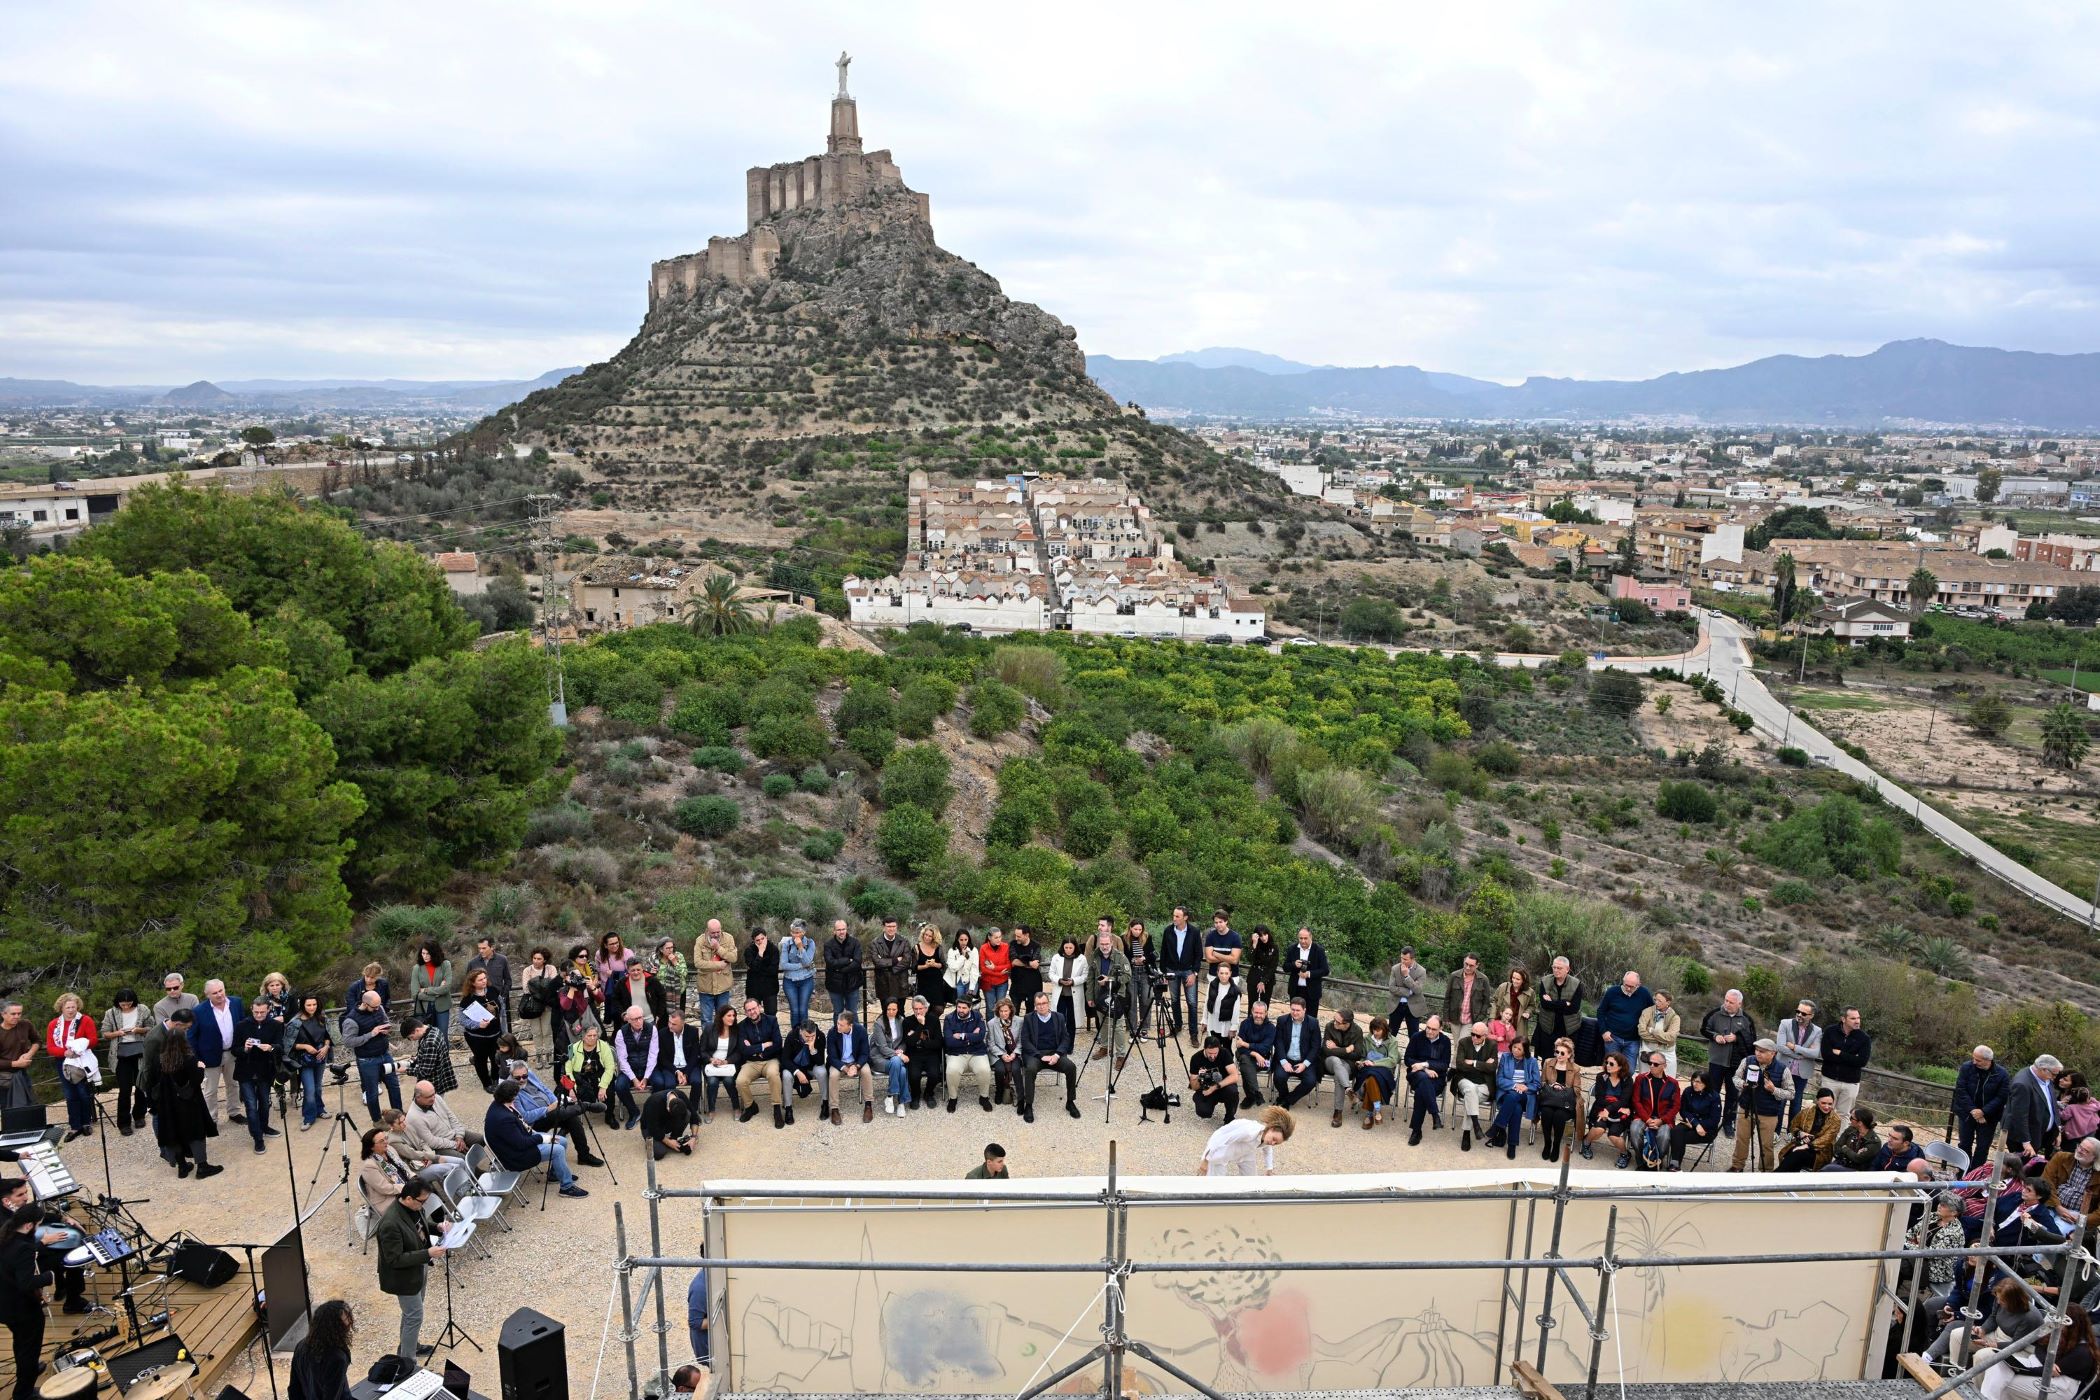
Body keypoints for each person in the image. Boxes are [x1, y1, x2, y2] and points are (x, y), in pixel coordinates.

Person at [376, 1176, 446, 1363]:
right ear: (408, 1198)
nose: (424, 1205)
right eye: (422, 1201)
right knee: (414, 1316)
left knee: (411, 1314)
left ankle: (409, 1346)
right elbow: (394, 1259)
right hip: (404, 1277)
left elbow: (421, 1226)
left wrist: (438, 1227)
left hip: (418, 1268)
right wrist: (427, 1253)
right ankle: (408, 1362)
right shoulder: (390, 1224)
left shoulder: (414, 1207)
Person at [486, 1079, 589, 1197]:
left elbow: (520, 1129)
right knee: (558, 1150)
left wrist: (539, 1135)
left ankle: (555, 1174)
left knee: (563, 1141)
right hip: (517, 1155)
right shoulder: (504, 1118)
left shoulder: (499, 1104)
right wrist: (543, 1138)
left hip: (522, 1139)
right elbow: (521, 1143)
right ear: (511, 1096)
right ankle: (567, 1187)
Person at [150, 1009, 221, 1179]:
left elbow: (155, 1080)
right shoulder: (188, 1059)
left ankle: (182, 1166)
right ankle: (202, 1166)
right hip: (189, 1102)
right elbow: (195, 1080)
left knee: (175, 1133)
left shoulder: (160, 1059)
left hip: (169, 1103)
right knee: (196, 1133)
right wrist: (201, 1068)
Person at [1979, 1302, 2096, 1400]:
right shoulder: (2059, 1332)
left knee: (2005, 1384)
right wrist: (2046, 1362)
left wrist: (2019, 1369)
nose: (2056, 1321)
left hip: (2060, 1385)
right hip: (2037, 1366)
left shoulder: (2083, 1351)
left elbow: (2048, 1372)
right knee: (1997, 1364)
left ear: (2073, 1324)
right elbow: (2039, 1348)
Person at [3, 1202, 53, 1400]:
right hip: (21, 1309)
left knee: (21, 1343)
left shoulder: (7, 1235)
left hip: (6, 1303)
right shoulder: (23, 1248)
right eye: (38, 1225)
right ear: (28, 1225)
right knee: (29, 1348)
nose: (38, 1229)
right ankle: (23, 1392)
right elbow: (26, 1283)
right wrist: (48, 1277)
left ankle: (29, 1368)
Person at [1729, 1037, 1791, 1172]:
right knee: (1741, 1139)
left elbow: (1791, 1093)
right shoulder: (1747, 1061)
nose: (1758, 1053)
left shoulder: (1783, 1069)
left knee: (1766, 1144)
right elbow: (1735, 1078)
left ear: (1773, 1053)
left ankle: (1766, 1170)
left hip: (1768, 1113)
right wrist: (1743, 1084)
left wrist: (1774, 1090)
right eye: (1757, 1050)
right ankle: (1737, 1166)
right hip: (1746, 1108)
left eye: (1762, 1051)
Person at [1700, 988, 1756, 1137]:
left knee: (1732, 1094)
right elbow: (1704, 1029)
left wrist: (1737, 1038)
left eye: (1731, 1002)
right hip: (1716, 1061)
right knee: (1713, 1092)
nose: (1727, 1004)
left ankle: (1728, 1123)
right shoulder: (1714, 1013)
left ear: (1739, 1004)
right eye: (1726, 1000)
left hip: (1736, 1064)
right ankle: (1710, 1120)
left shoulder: (1747, 1019)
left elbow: (1752, 1039)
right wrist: (1715, 1036)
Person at [1018, 990, 1079, 1124]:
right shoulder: (1028, 1018)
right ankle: (1028, 1105)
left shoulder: (1059, 1017)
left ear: (1048, 1003)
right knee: (1030, 1069)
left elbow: (1065, 1039)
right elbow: (1025, 1041)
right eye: (1038, 1004)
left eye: (1044, 1003)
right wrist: (1040, 1056)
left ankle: (1070, 1101)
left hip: (1054, 1053)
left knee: (1071, 1067)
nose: (1041, 1006)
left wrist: (1057, 1055)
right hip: (1036, 1054)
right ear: (1035, 1005)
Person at [190, 979, 246, 1123]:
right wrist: (197, 1058)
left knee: (233, 1084)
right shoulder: (198, 1011)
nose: (219, 994)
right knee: (210, 1090)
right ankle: (211, 1119)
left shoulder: (236, 1003)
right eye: (215, 993)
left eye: (221, 990)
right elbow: (191, 1036)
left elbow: (243, 1025)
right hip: (209, 1056)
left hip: (232, 1052)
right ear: (207, 994)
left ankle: (234, 1112)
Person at [45, 993, 99, 1140]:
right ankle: (75, 1126)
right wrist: (64, 1052)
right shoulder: (53, 1024)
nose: (70, 1010)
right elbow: (50, 1047)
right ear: (61, 1008)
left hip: (80, 1060)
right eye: (67, 1007)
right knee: (70, 1094)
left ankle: (86, 1122)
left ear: (77, 1007)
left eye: (73, 1007)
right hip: (62, 1061)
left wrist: (78, 1047)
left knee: (83, 1092)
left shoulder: (85, 1020)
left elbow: (93, 1040)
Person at [344, 990, 403, 1123]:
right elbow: (348, 1042)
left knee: (394, 1086)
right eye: (375, 1007)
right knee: (372, 1092)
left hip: (385, 1055)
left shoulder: (379, 1008)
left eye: (379, 1006)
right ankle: (377, 1121)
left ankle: (399, 1116)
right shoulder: (351, 1020)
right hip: (367, 1060)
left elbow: (385, 1021)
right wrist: (371, 1034)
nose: (378, 1009)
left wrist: (386, 1029)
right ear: (365, 1004)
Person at [232, 997, 283, 1152]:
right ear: (251, 1009)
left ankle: (264, 1127)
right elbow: (234, 1049)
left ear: (268, 1010)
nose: (259, 1015)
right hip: (245, 1071)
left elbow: (281, 1047)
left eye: (262, 1012)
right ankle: (257, 1137)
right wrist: (245, 1048)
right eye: (256, 1012)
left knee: (265, 1103)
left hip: (265, 1071)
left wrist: (271, 1047)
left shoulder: (275, 1025)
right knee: (251, 1106)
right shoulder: (241, 1025)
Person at [100, 988, 151, 1135]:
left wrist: (138, 1030)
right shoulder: (110, 1013)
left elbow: (151, 1027)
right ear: (118, 1003)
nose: (126, 1006)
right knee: (124, 1089)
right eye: (123, 1004)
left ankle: (139, 1115)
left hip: (140, 1052)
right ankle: (124, 1122)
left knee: (141, 1086)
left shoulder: (143, 1009)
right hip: (120, 1055)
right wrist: (118, 1033)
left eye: (129, 1003)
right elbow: (104, 1033)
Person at [733, 997, 787, 1126]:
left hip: (770, 1059)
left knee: (773, 1075)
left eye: (754, 1008)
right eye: (749, 1010)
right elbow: (743, 1049)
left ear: (760, 1007)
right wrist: (764, 1045)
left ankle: (776, 1109)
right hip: (751, 1062)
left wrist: (758, 1051)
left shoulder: (771, 1020)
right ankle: (750, 1106)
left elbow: (778, 1043)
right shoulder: (741, 1026)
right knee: (740, 1081)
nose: (752, 1012)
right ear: (745, 1012)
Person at [1952, 1046, 2010, 1166]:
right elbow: (1961, 1090)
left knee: (1983, 1148)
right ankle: (1963, 1171)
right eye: (1973, 1058)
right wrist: (1974, 1110)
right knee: (1964, 1144)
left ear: (1988, 1060)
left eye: (1978, 1060)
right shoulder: (1966, 1067)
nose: (1974, 1062)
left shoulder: (2002, 1074)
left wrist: (1983, 1112)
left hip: (1989, 1117)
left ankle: (1976, 1173)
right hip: (1967, 1113)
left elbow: (2001, 1097)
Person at [1198, 1105, 1294, 1176]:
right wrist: (1206, 1160)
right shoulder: (1248, 1132)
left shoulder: (1267, 1138)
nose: (1272, 1143)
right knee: (1216, 1184)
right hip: (1224, 1147)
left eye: (1276, 1143)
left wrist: (1269, 1168)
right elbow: (1222, 1139)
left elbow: (1268, 1150)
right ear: (1271, 1128)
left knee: (1251, 1180)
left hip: (1245, 1151)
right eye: (1274, 1139)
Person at [288, 1299, 353, 1400]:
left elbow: (294, 1389)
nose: (349, 1322)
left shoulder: (301, 1345)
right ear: (335, 1327)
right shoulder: (337, 1358)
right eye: (347, 1320)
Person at [2004, 1053, 2064, 1160]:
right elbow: (2019, 1116)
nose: (2055, 1078)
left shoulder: (2045, 1078)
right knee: (2023, 1167)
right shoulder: (2022, 1084)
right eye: (2054, 1074)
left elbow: (2052, 1104)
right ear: (2043, 1069)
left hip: (2040, 1133)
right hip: (2024, 1138)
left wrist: (2057, 1130)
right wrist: (2026, 1142)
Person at [286, 994, 333, 1130]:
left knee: (318, 1087)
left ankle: (320, 1109)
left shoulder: (322, 1018)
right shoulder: (295, 1023)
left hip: (320, 1057)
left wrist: (326, 1047)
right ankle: (308, 1117)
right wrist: (305, 1046)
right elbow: (288, 1045)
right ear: (303, 1006)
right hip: (304, 1060)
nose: (312, 1007)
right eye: (308, 1005)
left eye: (314, 1004)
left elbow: (328, 1036)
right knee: (309, 1089)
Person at [1086, 928, 1131, 1066]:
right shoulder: (1095, 955)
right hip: (1100, 995)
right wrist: (1090, 996)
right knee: (1103, 1023)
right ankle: (1104, 1047)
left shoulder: (1120, 957)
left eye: (1107, 944)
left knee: (1118, 1026)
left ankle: (1121, 1055)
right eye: (1102, 944)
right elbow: (1090, 977)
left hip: (1116, 996)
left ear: (1111, 943)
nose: (1104, 946)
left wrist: (1109, 980)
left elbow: (1127, 976)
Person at [1405, 1014, 1452, 1145]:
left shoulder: (1445, 1041)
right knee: (1424, 1079)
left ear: (1440, 1029)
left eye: (1433, 1029)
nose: (1429, 1031)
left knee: (1421, 1091)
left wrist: (1425, 1064)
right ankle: (1435, 1114)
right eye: (1428, 1027)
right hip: (1416, 1074)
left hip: (1436, 1078)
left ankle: (1416, 1131)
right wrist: (1424, 1069)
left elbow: (1444, 1065)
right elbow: (1407, 1059)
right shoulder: (1416, 1037)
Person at [1581, 1052, 1636, 1165]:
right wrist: (1610, 1108)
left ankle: (1625, 1154)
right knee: (1599, 1129)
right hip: (1601, 1109)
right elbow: (1600, 1098)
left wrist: (1609, 1110)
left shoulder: (1627, 1079)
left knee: (1613, 1135)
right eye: (1607, 1062)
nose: (1608, 1065)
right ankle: (1586, 1143)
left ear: (1620, 1066)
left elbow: (1625, 1100)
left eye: (1611, 1064)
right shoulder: (1601, 1077)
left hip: (1619, 1113)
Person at [406, 1079, 482, 1160]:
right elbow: (431, 1142)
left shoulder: (437, 1098)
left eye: (433, 1094)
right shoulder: (414, 1117)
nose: (433, 1098)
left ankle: (484, 1162)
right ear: (418, 1097)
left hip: (454, 1134)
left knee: (482, 1139)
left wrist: (459, 1136)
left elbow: (451, 1117)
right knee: (462, 1159)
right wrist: (455, 1144)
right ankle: (473, 1166)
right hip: (440, 1147)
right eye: (429, 1097)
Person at [1630, 1051, 1681, 1170]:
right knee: (1635, 1130)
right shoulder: (1641, 1078)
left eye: (1656, 1064)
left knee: (1664, 1136)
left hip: (1663, 1119)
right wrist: (1647, 1119)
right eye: (1650, 1063)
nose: (1652, 1066)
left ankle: (1656, 1160)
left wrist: (1662, 1120)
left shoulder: (1673, 1083)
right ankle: (1641, 1160)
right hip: (1643, 1116)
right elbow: (1636, 1101)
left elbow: (1676, 1106)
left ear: (1664, 1066)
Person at [942, 995, 993, 1112]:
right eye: (959, 1007)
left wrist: (962, 1036)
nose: (960, 1010)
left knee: (984, 1070)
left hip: (976, 1053)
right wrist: (971, 1038)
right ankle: (953, 1098)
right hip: (956, 1054)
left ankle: (984, 1097)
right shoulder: (949, 1018)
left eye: (964, 1008)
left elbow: (980, 1036)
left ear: (970, 1008)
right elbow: (949, 1042)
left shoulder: (978, 1016)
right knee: (951, 1071)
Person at [1452, 1020, 1498, 1150]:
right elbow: (1460, 1065)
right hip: (1464, 1081)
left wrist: (1473, 1062)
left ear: (1485, 1036)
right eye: (1472, 1034)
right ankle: (1475, 1126)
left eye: (1478, 1036)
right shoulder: (1463, 1042)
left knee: (1471, 1096)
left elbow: (1492, 1068)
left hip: (1484, 1085)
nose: (1474, 1037)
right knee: (1471, 1089)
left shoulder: (1492, 1045)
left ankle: (1468, 1132)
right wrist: (1484, 1065)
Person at [1821, 1006, 1871, 1125]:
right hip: (1830, 1079)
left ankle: (1839, 1137)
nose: (1857, 1021)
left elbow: (1862, 1062)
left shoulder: (1864, 1038)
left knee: (1844, 1115)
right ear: (1843, 1019)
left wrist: (1840, 1053)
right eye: (1853, 1018)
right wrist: (1852, 1058)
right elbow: (1826, 1055)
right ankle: (1821, 1136)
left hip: (1851, 1083)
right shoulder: (1830, 1031)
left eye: (1858, 1018)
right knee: (1824, 1111)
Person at [1491, 1037, 1540, 1159]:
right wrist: (1514, 1085)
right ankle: (1512, 1145)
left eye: (1519, 1049)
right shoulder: (1505, 1057)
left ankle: (1497, 1126)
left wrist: (1526, 1087)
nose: (1515, 1050)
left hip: (1525, 1095)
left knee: (1515, 1097)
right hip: (1507, 1093)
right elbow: (1499, 1079)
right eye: (1514, 1047)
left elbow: (1537, 1084)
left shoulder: (1532, 1062)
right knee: (1516, 1108)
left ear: (1525, 1051)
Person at [1159, 906, 1202, 1041]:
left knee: (1192, 1002)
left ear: (1185, 917)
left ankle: (1193, 1033)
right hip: (1171, 970)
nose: (1174, 918)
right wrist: (1164, 972)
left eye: (1177, 916)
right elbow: (1163, 952)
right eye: (1173, 915)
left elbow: (1198, 954)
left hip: (1189, 970)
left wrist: (1194, 973)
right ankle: (1177, 1026)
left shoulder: (1194, 932)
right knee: (1174, 1000)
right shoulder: (1168, 930)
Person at [1774, 999, 1823, 1119]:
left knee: (1796, 1106)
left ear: (1811, 1016)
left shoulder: (1817, 1031)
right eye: (1798, 1011)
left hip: (1801, 1074)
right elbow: (1780, 1047)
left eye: (1804, 1013)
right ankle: (1776, 1129)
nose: (1799, 1015)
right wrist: (1800, 1055)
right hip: (1783, 1069)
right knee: (1779, 1104)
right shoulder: (1785, 1023)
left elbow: (1815, 1053)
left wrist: (1794, 1047)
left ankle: (1793, 1130)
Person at [2043, 1137, 2100, 1240]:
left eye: (2086, 1151)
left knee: (2055, 1234)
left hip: (2075, 1215)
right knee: (2037, 1225)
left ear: (2094, 1157)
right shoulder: (2061, 1158)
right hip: (2050, 1203)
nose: (2080, 1151)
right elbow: (2046, 1183)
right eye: (2080, 1147)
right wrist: (2057, 1206)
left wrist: (2080, 1219)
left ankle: (2037, 1252)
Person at [1538, 1036, 1583, 1162]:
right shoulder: (1548, 1062)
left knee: (1559, 1116)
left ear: (1569, 1054)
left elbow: (1577, 1089)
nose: (1559, 1055)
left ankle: (1556, 1145)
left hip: (1565, 1102)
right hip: (1549, 1098)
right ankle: (1547, 1143)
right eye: (1557, 1052)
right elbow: (1542, 1082)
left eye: (1562, 1053)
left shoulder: (1575, 1068)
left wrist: (1563, 1088)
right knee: (1546, 1113)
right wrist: (1552, 1085)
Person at [1200, 911, 1243, 1043]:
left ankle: (1230, 1030)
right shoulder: (1211, 936)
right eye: (1216, 922)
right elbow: (1209, 958)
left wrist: (1217, 954)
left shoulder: (1235, 937)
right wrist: (1227, 956)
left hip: (1232, 976)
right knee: (1212, 1002)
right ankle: (1211, 1030)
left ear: (1226, 921)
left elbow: (1235, 960)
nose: (1218, 925)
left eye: (1220, 922)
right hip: (1214, 975)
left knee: (1231, 1004)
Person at [565, 1024, 622, 1124]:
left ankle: (609, 1116)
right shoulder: (571, 1048)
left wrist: (603, 1086)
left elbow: (610, 1068)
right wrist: (571, 1088)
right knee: (566, 1095)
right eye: (589, 1035)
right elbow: (568, 1070)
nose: (592, 1038)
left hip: (601, 1076)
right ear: (583, 1036)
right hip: (581, 1078)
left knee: (609, 1092)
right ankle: (572, 1122)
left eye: (595, 1035)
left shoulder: (604, 1046)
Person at [1317, 1006, 1363, 1129]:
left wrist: (1336, 1048)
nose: (1334, 1023)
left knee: (1339, 1076)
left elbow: (1357, 1054)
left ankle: (1338, 1112)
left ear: (1346, 1024)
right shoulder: (1329, 1026)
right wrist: (1346, 1050)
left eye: (1338, 1022)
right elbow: (1326, 1051)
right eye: (1334, 1019)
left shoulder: (1357, 1031)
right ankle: (1348, 1089)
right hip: (1330, 1061)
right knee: (1336, 1061)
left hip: (1348, 1064)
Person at [1593, 971, 1652, 1066]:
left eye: (1631, 986)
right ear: (1623, 981)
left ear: (1638, 985)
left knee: (1629, 1069)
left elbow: (1652, 1012)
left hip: (1633, 1040)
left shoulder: (1644, 993)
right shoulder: (1612, 991)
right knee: (1611, 1067)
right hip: (1612, 1038)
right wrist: (1603, 1031)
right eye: (1626, 985)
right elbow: (1601, 1011)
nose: (1628, 988)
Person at [459, 968, 504, 1090]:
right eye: (480, 980)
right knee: (481, 1060)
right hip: (476, 1037)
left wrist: (502, 1028)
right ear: (473, 983)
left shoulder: (493, 991)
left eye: (485, 978)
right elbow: (462, 1020)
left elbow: (502, 1008)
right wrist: (478, 1025)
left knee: (496, 1058)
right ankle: (486, 1083)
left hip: (495, 1034)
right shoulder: (467, 999)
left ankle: (495, 1078)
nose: (484, 981)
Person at [826, 1010, 874, 1123]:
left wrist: (856, 1066)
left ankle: (868, 1105)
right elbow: (832, 1056)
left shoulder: (860, 1031)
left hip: (856, 1062)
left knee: (866, 1071)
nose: (838, 1026)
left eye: (841, 1025)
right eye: (838, 1023)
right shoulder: (832, 1032)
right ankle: (834, 1109)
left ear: (850, 1025)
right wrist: (845, 1068)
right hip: (839, 1063)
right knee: (833, 1075)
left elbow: (865, 1053)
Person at [613, 1005, 659, 1125]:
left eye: (640, 1018)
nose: (639, 1021)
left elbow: (653, 1055)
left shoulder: (652, 1029)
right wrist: (633, 1078)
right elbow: (622, 1059)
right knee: (619, 1086)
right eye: (635, 1019)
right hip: (630, 1068)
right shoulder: (621, 1033)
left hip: (647, 1067)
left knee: (660, 1082)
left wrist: (646, 1077)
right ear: (628, 1020)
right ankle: (634, 1112)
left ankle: (652, 1111)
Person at [1273, 998, 1320, 1111]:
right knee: (1278, 1077)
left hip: (1304, 1060)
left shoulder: (1313, 1023)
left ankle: (1287, 1100)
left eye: (1298, 1010)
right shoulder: (1282, 1020)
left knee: (1310, 1081)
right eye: (1292, 1009)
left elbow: (1316, 1046)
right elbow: (1278, 1042)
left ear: (1304, 1010)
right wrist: (1284, 1061)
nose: (1294, 1013)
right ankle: (1283, 1096)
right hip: (1286, 1059)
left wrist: (1305, 1064)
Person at [1778, 1088, 1842, 1172]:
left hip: (1820, 1152)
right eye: (1823, 1103)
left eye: (1830, 1104)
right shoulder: (1806, 1112)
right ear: (1817, 1101)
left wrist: (1807, 1146)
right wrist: (1800, 1133)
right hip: (1800, 1143)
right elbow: (1793, 1126)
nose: (1827, 1107)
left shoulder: (1836, 1119)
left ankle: (1775, 1176)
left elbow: (1826, 1139)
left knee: (1797, 1155)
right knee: (1791, 1155)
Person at [697, 1006, 742, 1122]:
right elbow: (702, 1050)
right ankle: (711, 1110)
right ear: (721, 1017)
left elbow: (739, 1052)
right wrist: (711, 1059)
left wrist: (726, 1061)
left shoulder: (736, 1030)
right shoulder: (709, 1028)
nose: (732, 1018)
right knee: (712, 1082)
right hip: (712, 1064)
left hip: (728, 1064)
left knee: (729, 1081)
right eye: (729, 1016)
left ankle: (736, 1107)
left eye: (734, 1015)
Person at [692, 920, 739, 1030]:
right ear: (707, 931)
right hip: (706, 988)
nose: (716, 934)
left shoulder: (728, 938)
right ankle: (707, 1040)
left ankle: (722, 1039)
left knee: (723, 1018)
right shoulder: (700, 940)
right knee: (706, 1020)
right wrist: (719, 965)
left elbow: (733, 958)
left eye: (718, 931)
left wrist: (718, 948)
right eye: (713, 932)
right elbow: (697, 963)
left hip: (723, 987)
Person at [870, 998, 913, 1115]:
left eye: (894, 1009)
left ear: (898, 1009)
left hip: (895, 1058)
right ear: (885, 1009)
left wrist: (901, 1051)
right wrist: (899, 1054)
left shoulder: (901, 1020)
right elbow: (882, 1048)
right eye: (888, 1009)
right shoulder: (878, 1023)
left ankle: (891, 1097)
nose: (891, 1012)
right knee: (900, 1067)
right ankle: (900, 1102)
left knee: (900, 1068)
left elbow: (903, 1041)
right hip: (880, 1057)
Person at [1534, 956, 1583, 1061]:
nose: (1556, 970)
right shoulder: (1545, 981)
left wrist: (1552, 1003)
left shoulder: (1576, 984)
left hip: (1568, 1029)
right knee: (1547, 1060)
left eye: (1559, 968)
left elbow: (1574, 1008)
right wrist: (1565, 1003)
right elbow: (1544, 1005)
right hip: (1548, 1027)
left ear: (1567, 969)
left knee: (1566, 1060)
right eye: (1554, 967)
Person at [899, 996, 943, 1110]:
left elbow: (938, 1042)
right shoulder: (907, 1021)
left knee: (934, 1074)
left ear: (926, 1008)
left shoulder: (933, 1020)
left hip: (931, 1053)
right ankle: (915, 1094)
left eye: (920, 1008)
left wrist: (922, 1042)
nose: (918, 1012)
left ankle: (929, 1093)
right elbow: (909, 1043)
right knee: (913, 1075)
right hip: (914, 1054)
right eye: (915, 1009)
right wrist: (921, 1025)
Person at [1356, 1017, 1400, 1130]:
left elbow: (1393, 1060)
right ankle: (1377, 1109)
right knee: (1371, 1077)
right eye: (1373, 1030)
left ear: (1384, 1030)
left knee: (1372, 1078)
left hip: (1384, 1070)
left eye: (1378, 1030)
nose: (1375, 1033)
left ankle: (1369, 1114)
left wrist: (1374, 1063)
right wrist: (1361, 1062)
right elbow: (1363, 1056)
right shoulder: (1367, 1039)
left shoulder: (1392, 1041)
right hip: (1367, 1069)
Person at [409, 939, 455, 1046]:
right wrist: (438, 993)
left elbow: (446, 988)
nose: (425, 956)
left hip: (442, 1007)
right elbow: (415, 994)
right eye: (423, 953)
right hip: (425, 1009)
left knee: (442, 1037)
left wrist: (426, 990)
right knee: (427, 1037)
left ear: (434, 953)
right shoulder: (417, 968)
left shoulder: (445, 964)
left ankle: (444, 1057)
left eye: (428, 953)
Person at [1674, 1069, 1722, 1169]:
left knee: (1678, 1137)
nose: (1694, 1084)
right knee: (1675, 1131)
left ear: (1706, 1083)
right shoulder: (1688, 1091)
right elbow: (1683, 1111)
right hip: (1690, 1123)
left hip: (1706, 1129)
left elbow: (1714, 1120)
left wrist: (1699, 1125)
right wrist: (1695, 1124)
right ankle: (1674, 1165)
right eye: (1693, 1081)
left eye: (1698, 1082)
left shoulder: (1714, 1096)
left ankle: (1674, 1165)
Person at [1188, 1033, 1242, 1120]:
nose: (1213, 1056)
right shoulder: (1196, 1058)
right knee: (1203, 1112)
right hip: (1206, 1089)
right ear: (1204, 1048)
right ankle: (1200, 1100)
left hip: (1223, 1086)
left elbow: (1235, 1076)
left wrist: (1214, 1088)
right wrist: (1199, 1077)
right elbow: (1194, 1086)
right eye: (1210, 1053)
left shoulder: (1224, 1053)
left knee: (1232, 1092)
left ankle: (1229, 1117)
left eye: (1215, 1053)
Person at [1234, 1000, 1276, 1109]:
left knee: (1245, 1066)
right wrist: (1255, 1054)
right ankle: (1255, 1092)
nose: (1258, 1015)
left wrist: (1245, 1044)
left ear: (1266, 1013)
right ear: (1252, 1011)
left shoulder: (1271, 1028)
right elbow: (1240, 1048)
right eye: (1256, 1012)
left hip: (1262, 1061)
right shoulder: (1245, 1024)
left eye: (1261, 1013)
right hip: (1246, 1055)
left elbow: (1264, 1049)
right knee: (1244, 1059)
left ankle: (1251, 1097)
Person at [1285, 926, 1330, 1027]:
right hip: (1295, 990)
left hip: (1312, 992)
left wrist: (1309, 974)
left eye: (1305, 938)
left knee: (1310, 1020)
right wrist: (1294, 964)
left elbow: (1325, 970)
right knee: (1295, 1017)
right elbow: (1285, 967)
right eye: (1301, 938)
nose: (1303, 941)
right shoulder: (1292, 949)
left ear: (1311, 937)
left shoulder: (1319, 950)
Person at [399, 1015, 455, 1096]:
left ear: (417, 1030)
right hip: (440, 1079)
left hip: (432, 1085)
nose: (412, 1040)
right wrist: (419, 1058)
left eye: (411, 1037)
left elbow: (424, 1072)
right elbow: (433, 1057)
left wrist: (405, 1070)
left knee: (427, 1103)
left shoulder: (430, 1042)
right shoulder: (434, 1029)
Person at [784, 1021, 829, 1121]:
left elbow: (820, 1061)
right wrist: (797, 1072)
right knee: (786, 1075)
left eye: (812, 1036)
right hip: (795, 1067)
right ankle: (788, 1108)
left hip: (812, 1066)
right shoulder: (792, 1036)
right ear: (801, 1032)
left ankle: (825, 1103)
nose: (810, 1039)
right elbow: (785, 1059)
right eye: (807, 1036)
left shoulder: (820, 1036)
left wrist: (812, 1049)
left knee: (822, 1072)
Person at [606, 954, 666, 1028]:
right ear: (628, 970)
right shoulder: (622, 983)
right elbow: (615, 999)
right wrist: (623, 1014)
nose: (636, 972)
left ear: (642, 968)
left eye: (638, 970)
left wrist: (659, 1014)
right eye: (633, 970)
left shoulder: (652, 980)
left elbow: (662, 996)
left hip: (650, 1020)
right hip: (631, 1021)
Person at [467, 936, 515, 1029]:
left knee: (503, 1029)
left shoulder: (502, 960)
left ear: (492, 947)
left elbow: (508, 980)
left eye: (484, 948)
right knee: (485, 1030)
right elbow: (468, 983)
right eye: (479, 948)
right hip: (480, 1004)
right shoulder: (472, 963)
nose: (481, 951)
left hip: (499, 1002)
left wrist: (503, 996)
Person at [870, 916, 915, 1015]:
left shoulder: (904, 941)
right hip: (883, 983)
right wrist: (895, 960)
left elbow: (907, 961)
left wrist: (891, 968)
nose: (891, 929)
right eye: (889, 926)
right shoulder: (875, 943)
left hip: (900, 983)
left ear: (897, 927)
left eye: (893, 926)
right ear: (884, 927)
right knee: (886, 1012)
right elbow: (877, 962)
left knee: (900, 1012)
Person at [985, 997, 1023, 1110]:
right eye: (1001, 1011)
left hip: (1015, 1052)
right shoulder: (992, 1023)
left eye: (1006, 1011)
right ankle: (999, 1091)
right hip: (998, 1053)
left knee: (1016, 1069)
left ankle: (1021, 1097)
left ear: (1011, 1010)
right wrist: (1002, 1054)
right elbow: (991, 1043)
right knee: (1000, 1069)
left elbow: (1021, 1041)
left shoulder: (1020, 1021)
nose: (1003, 1013)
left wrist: (1015, 1053)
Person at [640, 1085, 696, 1160]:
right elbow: (654, 1129)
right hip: (649, 1127)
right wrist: (669, 1142)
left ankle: (674, 1138)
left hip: (666, 1122)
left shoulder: (681, 1096)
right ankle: (651, 1142)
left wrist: (694, 1137)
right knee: (659, 1153)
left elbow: (694, 1118)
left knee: (688, 1114)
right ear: (668, 1108)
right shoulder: (654, 1102)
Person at [782, 920, 819, 1031]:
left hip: (806, 980)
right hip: (789, 981)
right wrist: (801, 965)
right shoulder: (786, 944)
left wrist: (800, 947)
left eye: (797, 932)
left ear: (803, 932)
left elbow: (807, 962)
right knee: (794, 1010)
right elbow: (783, 965)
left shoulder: (810, 943)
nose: (794, 935)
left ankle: (805, 1034)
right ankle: (795, 1035)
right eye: (792, 932)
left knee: (803, 1010)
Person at [825, 920, 864, 1021]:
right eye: (838, 930)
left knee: (853, 1013)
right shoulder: (828, 945)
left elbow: (857, 962)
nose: (841, 932)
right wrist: (847, 960)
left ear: (846, 930)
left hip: (852, 983)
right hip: (834, 985)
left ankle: (855, 1032)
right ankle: (838, 1031)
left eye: (843, 929)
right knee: (838, 1012)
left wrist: (840, 969)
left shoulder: (855, 942)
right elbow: (830, 962)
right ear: (834, 931)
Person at [1637, 990, 1680, 1080]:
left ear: (1668, 1002)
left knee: (1668, 1079)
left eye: (1660, 1001)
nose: (1656, 1002)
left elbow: (1671, 1037)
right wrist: (1662, 1039)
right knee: (1644, 1079)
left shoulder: (1675, 1017)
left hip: (1667, 1052)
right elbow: (1642, 1032)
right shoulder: (1647, 1012)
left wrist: (1652, 1030)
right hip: (1648, 1050)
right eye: (1655, 1000)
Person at [1047, 937, 1087, 1035]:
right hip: (1060, 994)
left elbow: (1085, 975)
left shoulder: (1082, 959)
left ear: (1075, 947)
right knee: (1059, 1020)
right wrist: (1059, 980)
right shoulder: (1056, 957)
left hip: (1074, 994)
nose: (1068, 950)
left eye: (1070, 948)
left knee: (1071, 1021)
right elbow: (1051, 973)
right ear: (1063, 947)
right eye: (1066, 947)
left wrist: (1074, 981)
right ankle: (1060, 1042)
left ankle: (1070, 1043)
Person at [1494, 967, 1536, 1057]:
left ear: (1523, 980)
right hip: (1502, 1022)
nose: (1514, 981)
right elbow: (1494, 1001)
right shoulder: (1503, 987)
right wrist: (1492, 1017)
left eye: (1518, 979)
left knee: (1518, 1048)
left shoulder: (1530, 992)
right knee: (1500, 1048)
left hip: (1519, 1024)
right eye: (1513, 978)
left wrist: (1528, 1012)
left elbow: (1532, 1006)